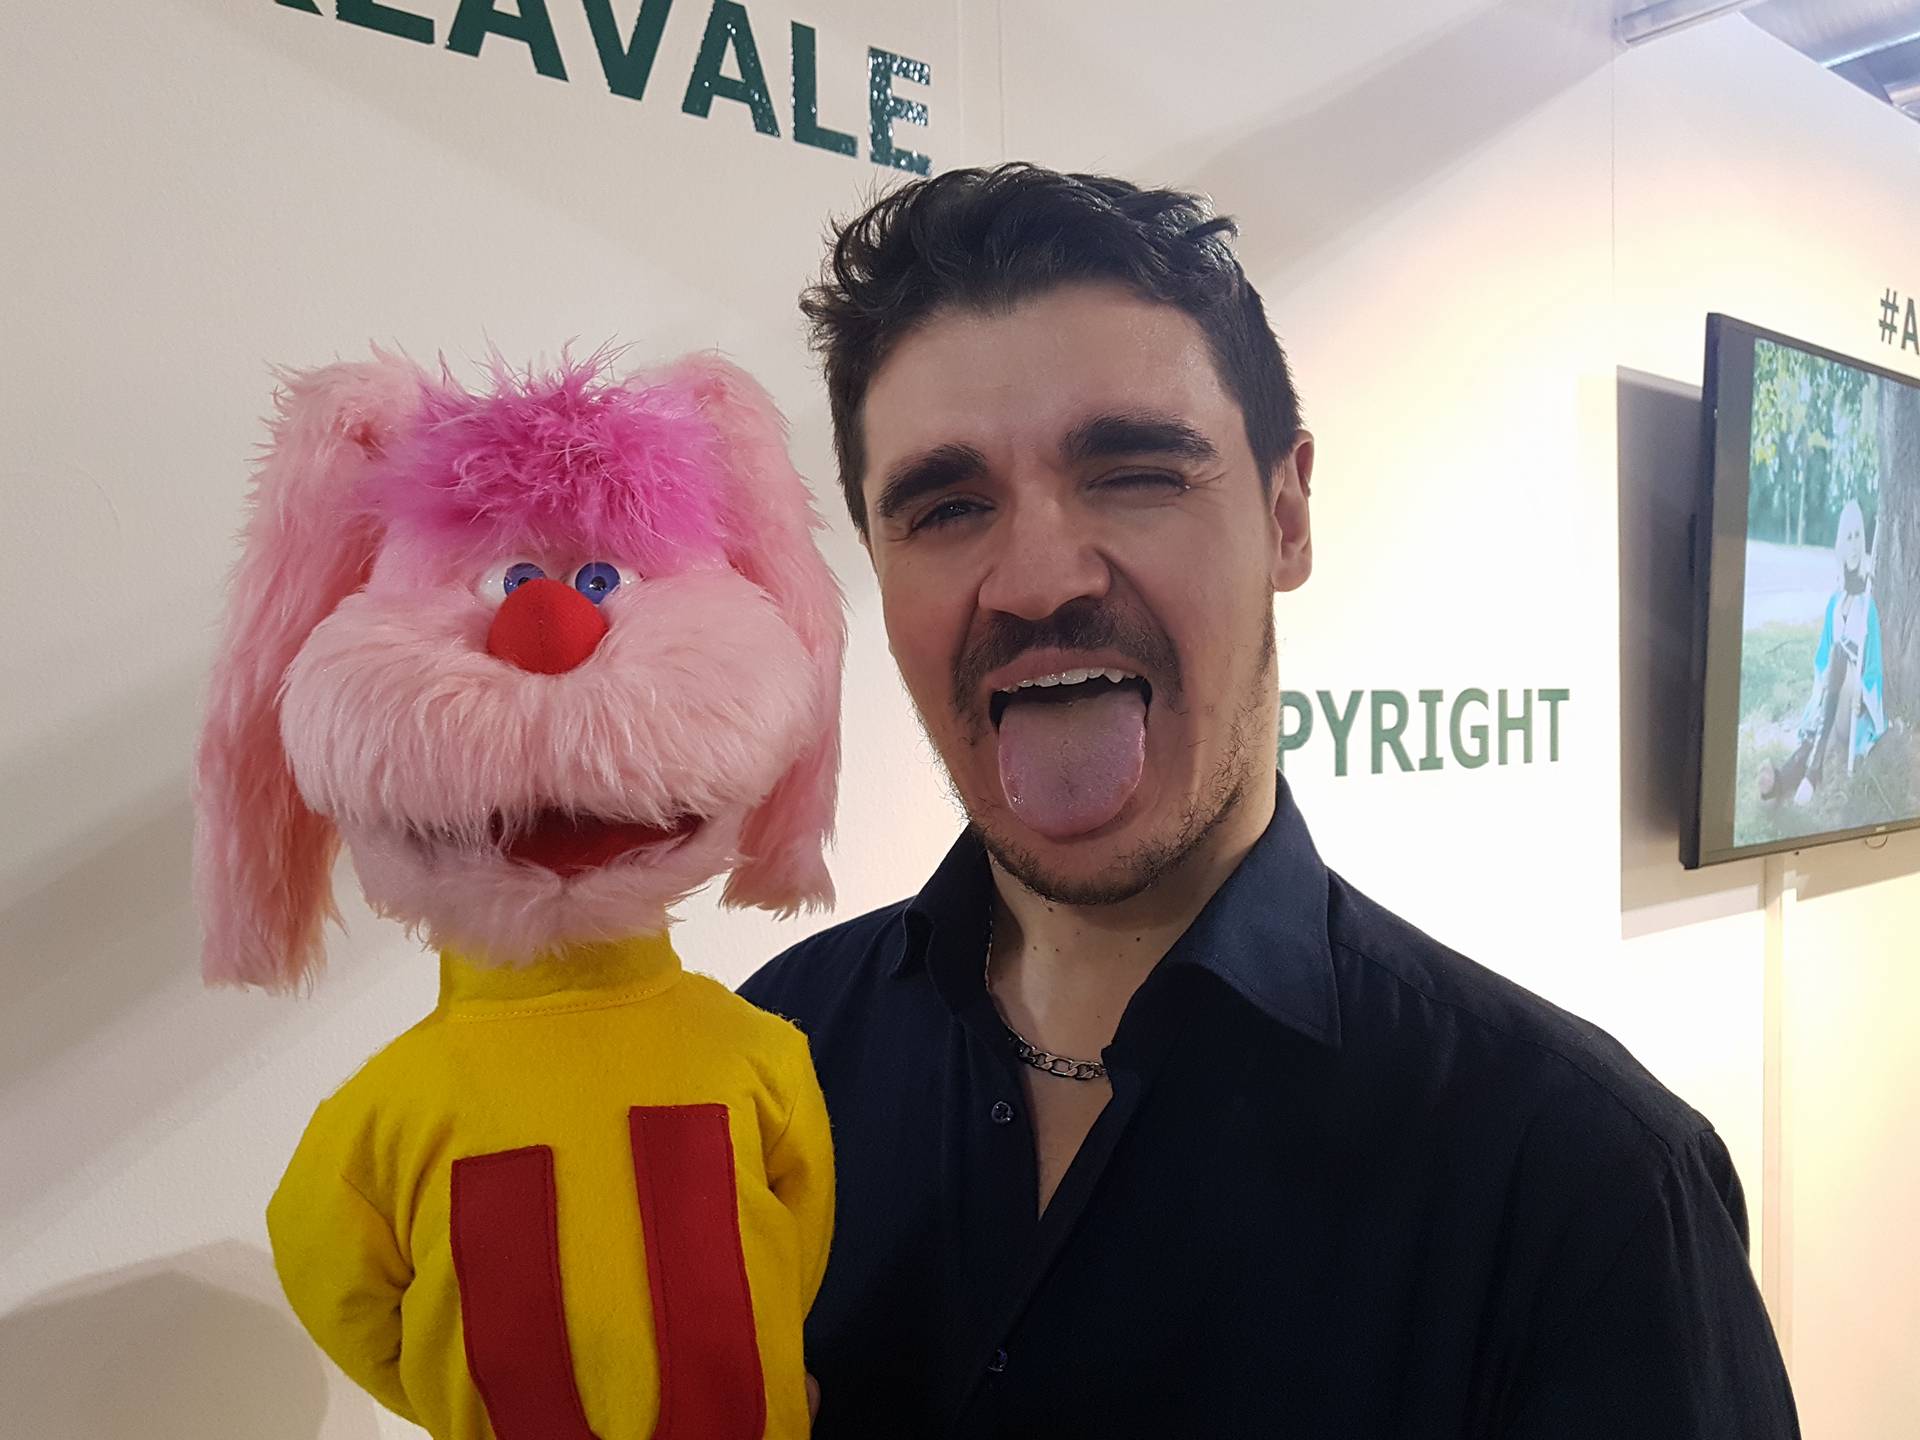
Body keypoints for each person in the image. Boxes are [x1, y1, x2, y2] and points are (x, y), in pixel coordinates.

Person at [740, 163, 1798, 1437]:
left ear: (1287, 515)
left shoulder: (1585, 1183)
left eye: (1134, 472)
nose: (1036, 580)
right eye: (947, 506)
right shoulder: (774, 1061)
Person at [1758, 497, 1885, 807]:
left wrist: (1863, 690)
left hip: (1854, 711)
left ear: (1863, 541)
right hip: (1832, 702)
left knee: (1841, 654)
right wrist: (1825, 677)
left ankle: (1812, 773)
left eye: (1858, 536)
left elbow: (1874, 668)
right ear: (1840, 544)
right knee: (1834, 662)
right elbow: (1821, 660)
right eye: (1848, 537)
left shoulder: (1868, 605)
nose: (1854, 544)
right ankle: (1783, 781)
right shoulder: (1833, 603)